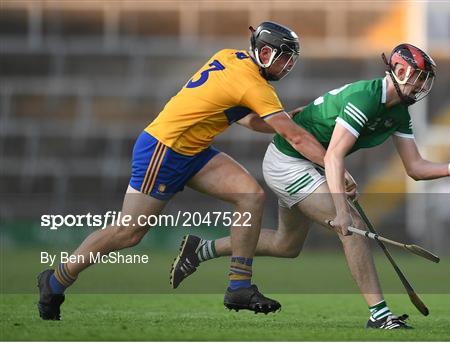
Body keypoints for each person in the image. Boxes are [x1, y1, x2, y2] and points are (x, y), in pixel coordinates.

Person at [37, 21, 333, 320]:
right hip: (163, 150)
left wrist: (285, 118)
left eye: (290, 59)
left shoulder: (231, 57)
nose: (287, 65)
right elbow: (292, 137)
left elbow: (249, 120)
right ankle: (55, 280)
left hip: (193, 150)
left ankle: (239, 286)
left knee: (250, 196)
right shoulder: (253, 84)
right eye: (282, 57)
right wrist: (331, 166)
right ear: (264, 51)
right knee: (128, 232)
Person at [171, 43, 450, 329]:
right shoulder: (367, 97)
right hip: (289, 162)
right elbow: (334, 156)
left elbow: (415, 168)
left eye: (425, 81)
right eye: (419, 78)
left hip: (311, 163)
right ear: (401, 71)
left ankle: (200, 250)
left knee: (286, 245)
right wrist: (341, 210)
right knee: (352, 228)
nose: (421, 86)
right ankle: (380, 315)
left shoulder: (398, 113)